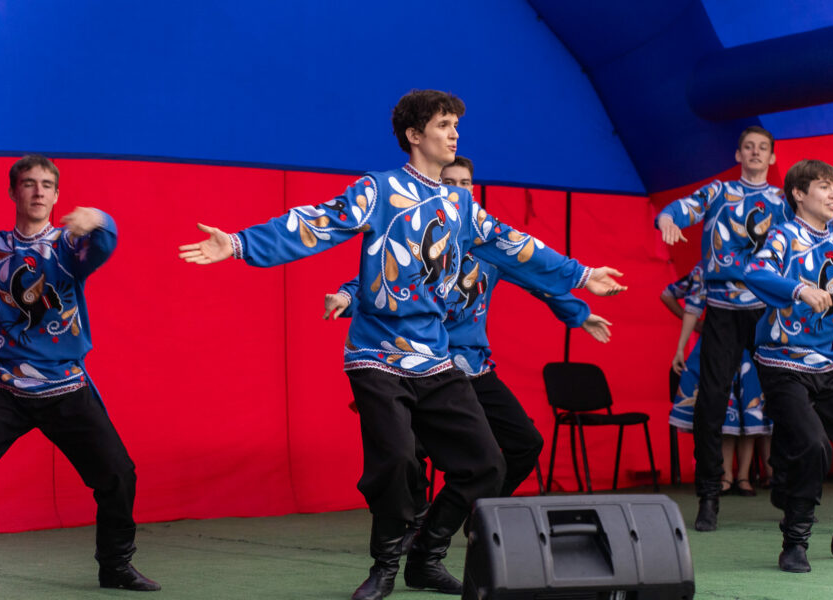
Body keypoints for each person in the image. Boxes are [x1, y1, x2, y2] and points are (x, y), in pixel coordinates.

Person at [179, 90, 626, 600]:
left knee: (486, 465)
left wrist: (581, 275)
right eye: (443, 125)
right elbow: (316, 222)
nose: (454, 133)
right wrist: (239, 244)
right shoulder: (380, 189)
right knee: (395, 462)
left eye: (455, 124)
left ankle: (425, 557)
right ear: (415, 135)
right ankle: (385, 566)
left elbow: (515, 245)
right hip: (377, 355)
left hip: (435, 358)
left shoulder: (461, 206)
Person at [325, 156, 613, 501]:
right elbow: (379, 278)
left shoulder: (488, 245)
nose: (458, 189)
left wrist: (579, 314)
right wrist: (346, 296)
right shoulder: (422, 236)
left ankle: (476, 512)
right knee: (409, 454)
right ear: (435, 187)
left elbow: (536, 277)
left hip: (474, 368)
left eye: (465, 184)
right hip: (426, 367)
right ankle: (415, 522)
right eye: (449, 183)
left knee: (526, 443)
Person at [0, 155, 159, 591]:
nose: (38, 191)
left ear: (57, 195)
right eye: (29, 183)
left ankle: (115, 566)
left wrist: (98, 219)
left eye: (47, 185)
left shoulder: (67, 246)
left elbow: (103, 243)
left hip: (64, 385)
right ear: (13, 192)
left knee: (119, 474)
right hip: (3, 386)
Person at [744, 159, 833, 573]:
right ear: (799, 194)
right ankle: (795, 543)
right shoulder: (784, 235)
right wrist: (799, 289)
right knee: (813, 445)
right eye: (823, 186)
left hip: (825, 367)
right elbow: (755, 271)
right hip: (781, 363)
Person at [656, 126, 793, 531]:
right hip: (721, 309)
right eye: (748, 147)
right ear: (738, 155)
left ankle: (789, 488)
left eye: (762, 148)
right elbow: (679, 210)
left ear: (772, 158)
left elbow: (816, 229)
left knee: (787, 394)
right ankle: (709, 494)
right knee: (711, 401)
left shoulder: (783, 201)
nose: (755, 153)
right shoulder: (718, 192)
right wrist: (667, 218)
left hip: (765, 309)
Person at [668, 262, 772, 496]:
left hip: (750, 347)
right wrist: (683, 345)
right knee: (722, 411)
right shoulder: (708, 267)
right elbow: (686, 303)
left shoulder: (762, 262)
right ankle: (725, 476)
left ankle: (743, 477)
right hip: (719, 345)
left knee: (750, 413)